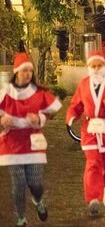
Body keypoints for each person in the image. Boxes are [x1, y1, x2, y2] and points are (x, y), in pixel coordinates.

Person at [65, 51, 105, 215]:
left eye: (98, 65)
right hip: (90, 130)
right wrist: (72, 116)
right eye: (92, 66)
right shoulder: (84, 84)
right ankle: (93, 199)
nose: (96, 69)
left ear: (104, 66)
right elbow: (76, 104)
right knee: (93, 164)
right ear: (88, 67)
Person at [0, 53, 62, 227]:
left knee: (35, 182)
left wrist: (39, 117)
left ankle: (38, 198)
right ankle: (21, 217)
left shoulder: (38, 93)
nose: (28, 74)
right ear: (16, 72)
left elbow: (53, 109)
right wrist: (2, 119)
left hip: (33, 143)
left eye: (30, 71)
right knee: (18, 184)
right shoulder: (5, 93)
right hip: (12, 144)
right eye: (24, 71)